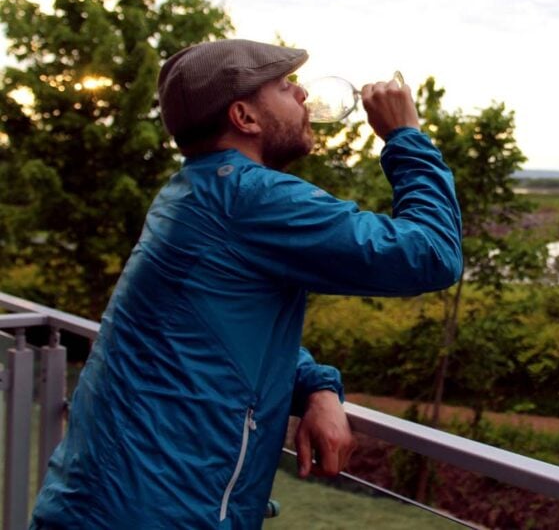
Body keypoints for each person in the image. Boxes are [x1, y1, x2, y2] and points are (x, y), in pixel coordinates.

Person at [30, 39, 464, 529]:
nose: (302, 94)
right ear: (245, 117)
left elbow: (212, 335)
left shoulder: (193, 192)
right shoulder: (248, 198)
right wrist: (405, 136)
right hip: (152, 514)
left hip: (106, 504)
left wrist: (316, 387)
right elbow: (432, 254)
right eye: (284, 86)